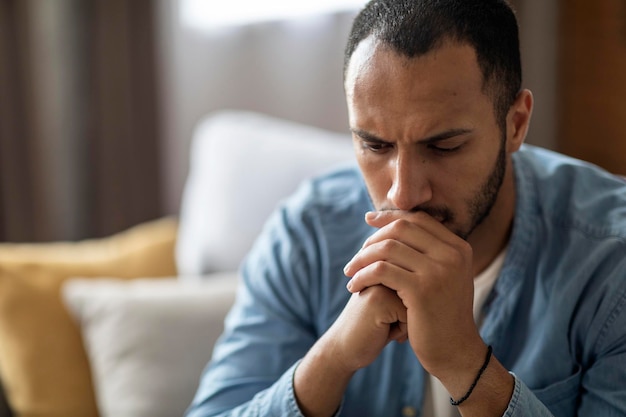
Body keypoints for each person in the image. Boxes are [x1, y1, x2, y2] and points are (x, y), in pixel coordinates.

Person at [186, 0, 626, 416]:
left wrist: (464, 363)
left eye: (444, 146)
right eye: (375, 145)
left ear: (515, 124)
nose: (404, 194)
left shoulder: (610, 263)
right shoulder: (307, 236)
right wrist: (333, 358)